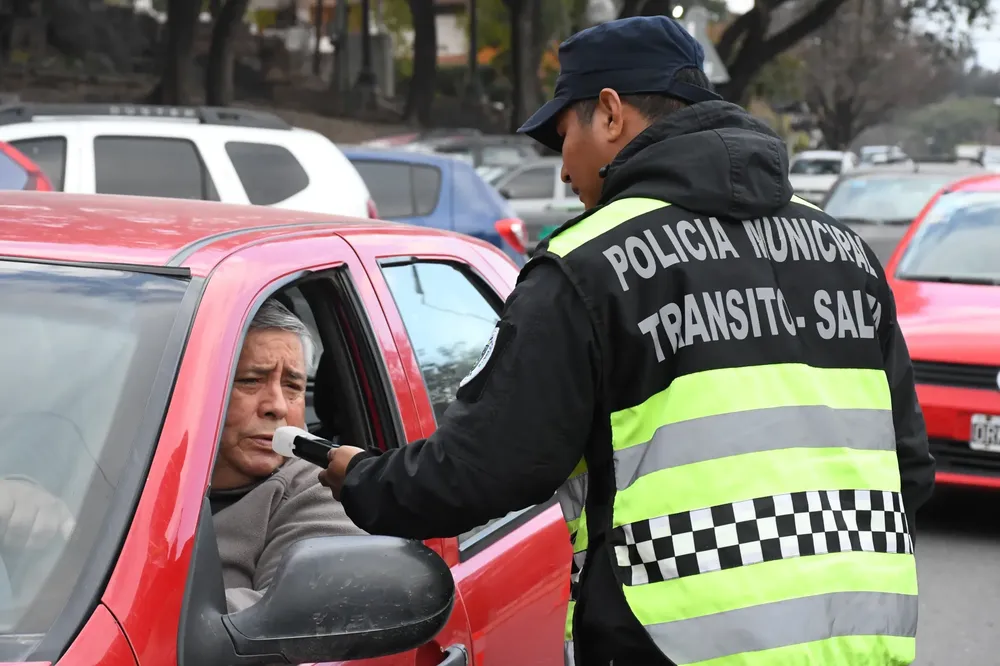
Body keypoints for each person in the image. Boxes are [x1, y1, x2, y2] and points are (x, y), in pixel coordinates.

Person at [318, 15, 935, 666]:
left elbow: (485, 470)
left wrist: (360, 477)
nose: (562, 171)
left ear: (609, 114)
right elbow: (908, 468)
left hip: (678, 648)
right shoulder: (846, 254)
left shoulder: (589, 266)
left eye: (564, 136)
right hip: (859, 643)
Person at [212, 298, 365, 612]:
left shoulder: (325, 488)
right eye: (251, 381)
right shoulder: (121, 472)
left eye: (293, 385)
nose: (278, 406)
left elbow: (270, 618)